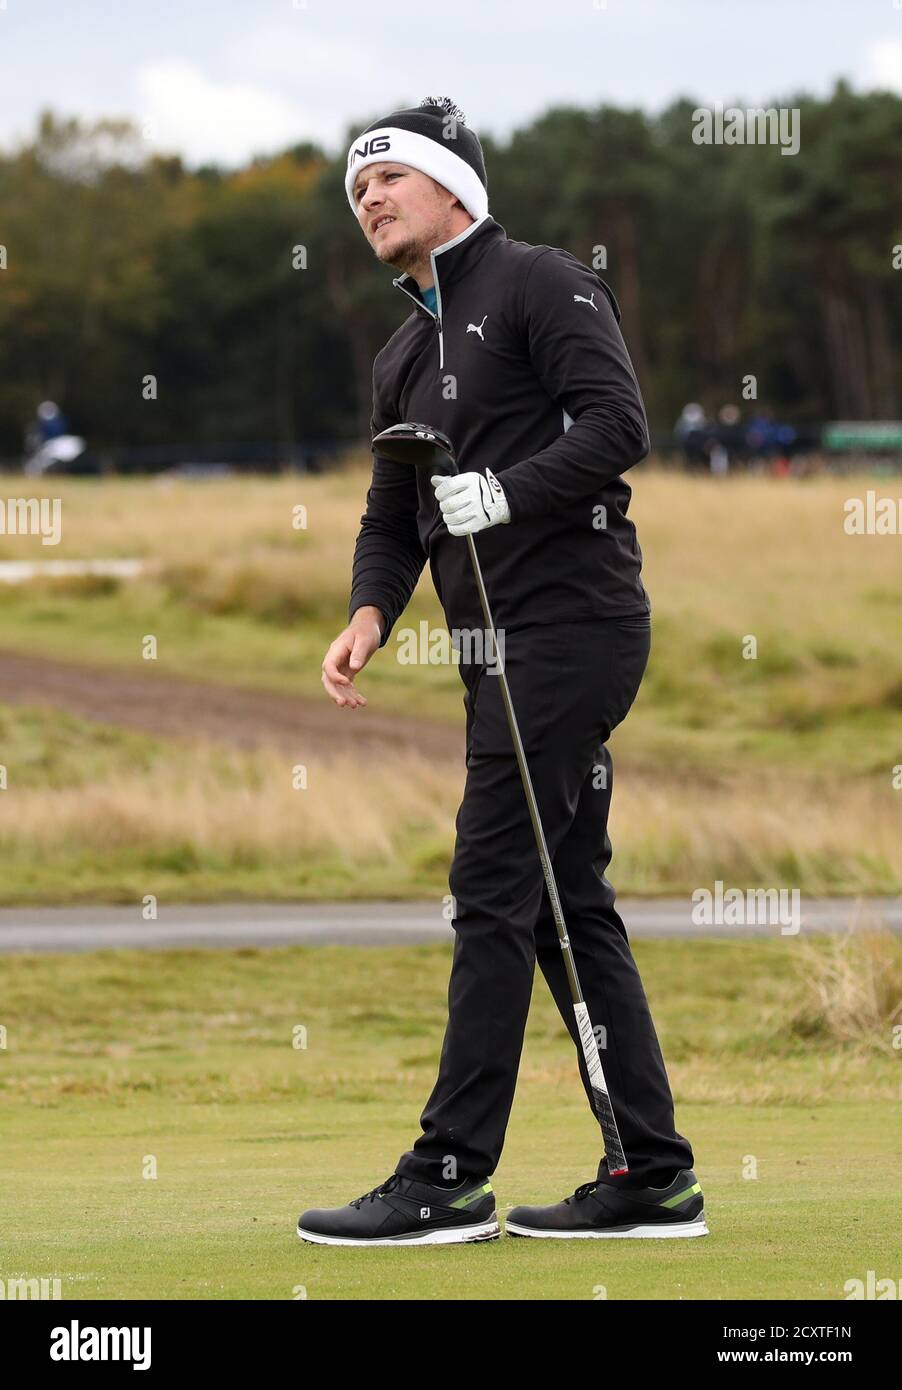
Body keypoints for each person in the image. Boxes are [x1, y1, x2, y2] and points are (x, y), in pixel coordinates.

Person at [299, 97, 705, 1246]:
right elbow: (391, 514)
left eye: (387, 178)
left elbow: (616, 421)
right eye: (354, 189)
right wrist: (368, 612)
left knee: (489, 888)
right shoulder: (396, 354)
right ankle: (649, 1173)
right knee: (562, 902)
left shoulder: (539, 281)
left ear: (453, 188)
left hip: (572, 630)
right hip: (491, 651)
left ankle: (445, 1172)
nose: (367, 197)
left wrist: (512, 486)